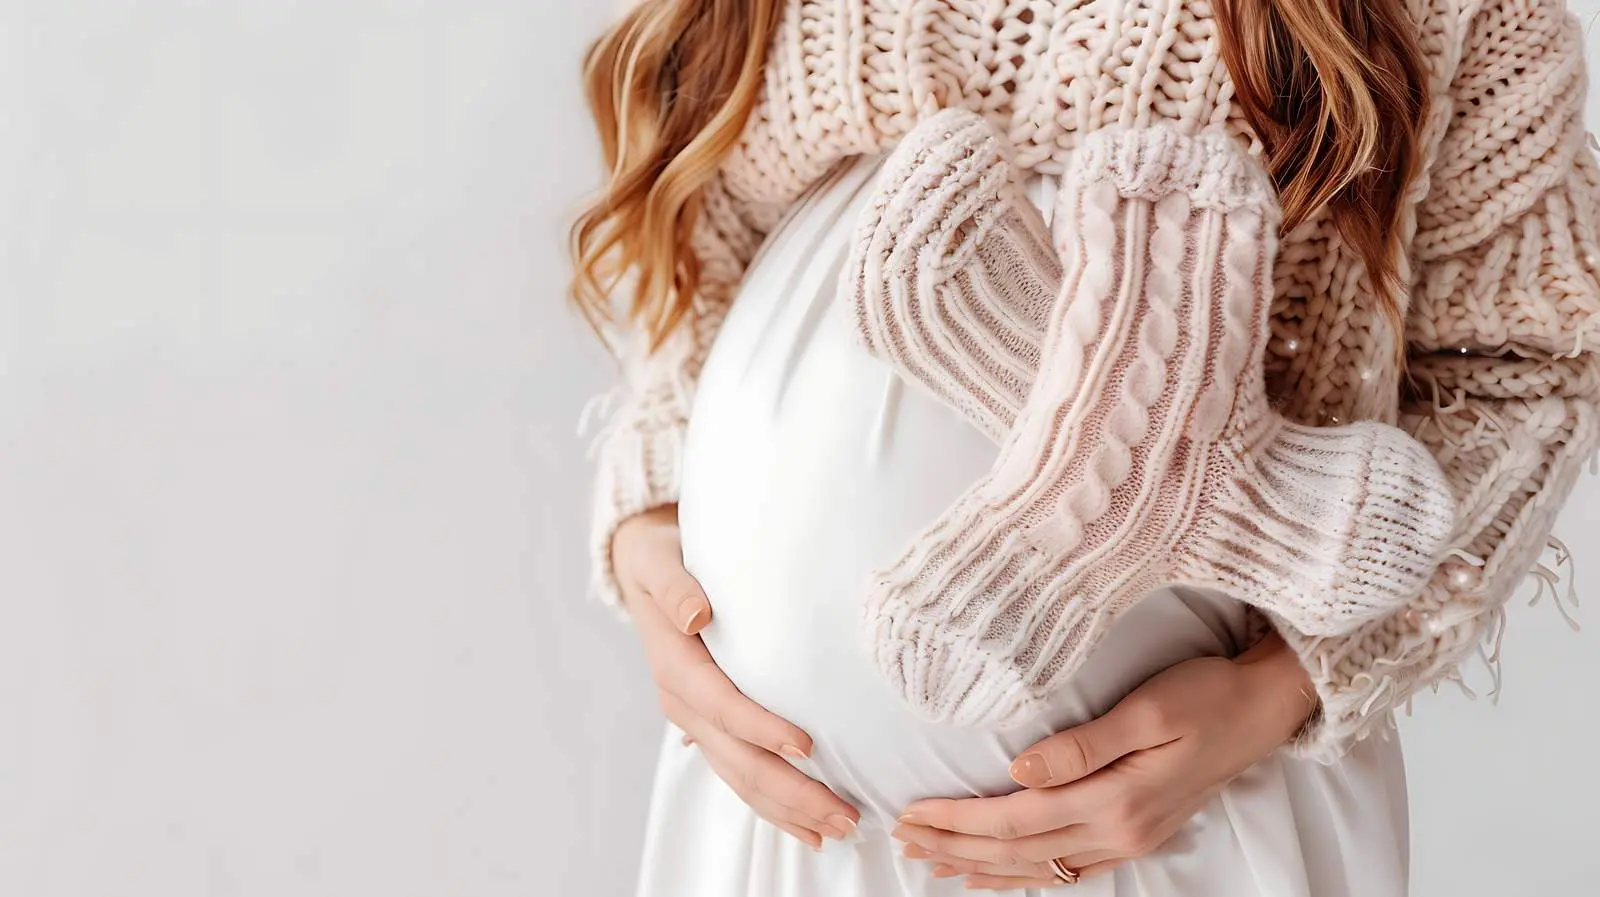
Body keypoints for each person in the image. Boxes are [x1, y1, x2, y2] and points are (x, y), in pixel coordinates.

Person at [569, 1, 1600, 894]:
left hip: (1183, 819)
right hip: (777, 824)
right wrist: (651, 525)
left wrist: (1282, 689)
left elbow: (1529, 369)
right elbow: (696, 264)